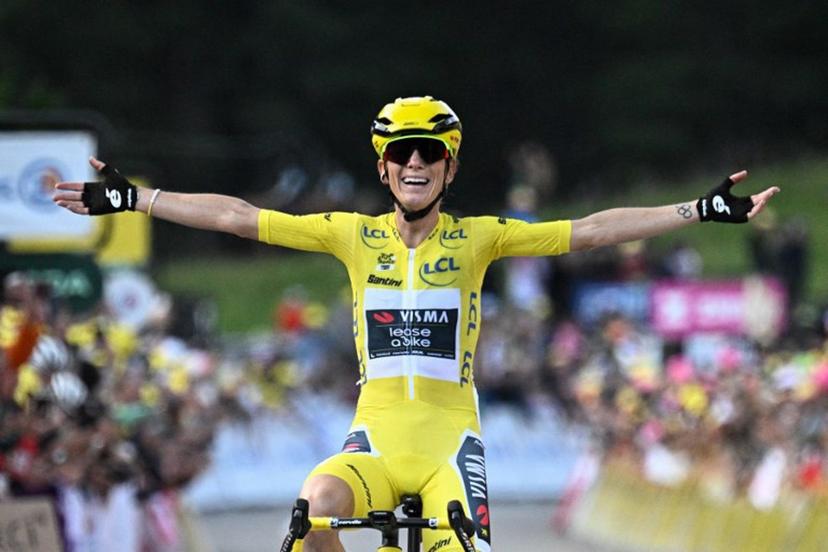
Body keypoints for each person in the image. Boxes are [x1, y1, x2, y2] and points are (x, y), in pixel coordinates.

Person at [53, 96, 779, 552]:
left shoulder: (480, 238)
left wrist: (697, 209)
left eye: (431, 152)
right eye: (401, 152)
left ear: (450, 169)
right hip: (373, 440)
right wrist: (135, 198)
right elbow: (239, 217)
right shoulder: (350, 234)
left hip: (447, 447)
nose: (415, 162)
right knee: (311, 512)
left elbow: (588, 230)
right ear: (383, 169)